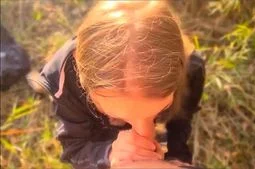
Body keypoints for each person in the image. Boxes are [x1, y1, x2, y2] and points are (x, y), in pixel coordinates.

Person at [30, 1, 205, 169]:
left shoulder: (191, 70)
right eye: (116, 116)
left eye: (160, 109)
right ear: (84, 84)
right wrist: (107, 154)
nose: (145, 134)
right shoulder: (66, 78)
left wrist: (174, 160)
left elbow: (180, 125)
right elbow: (74, 147)